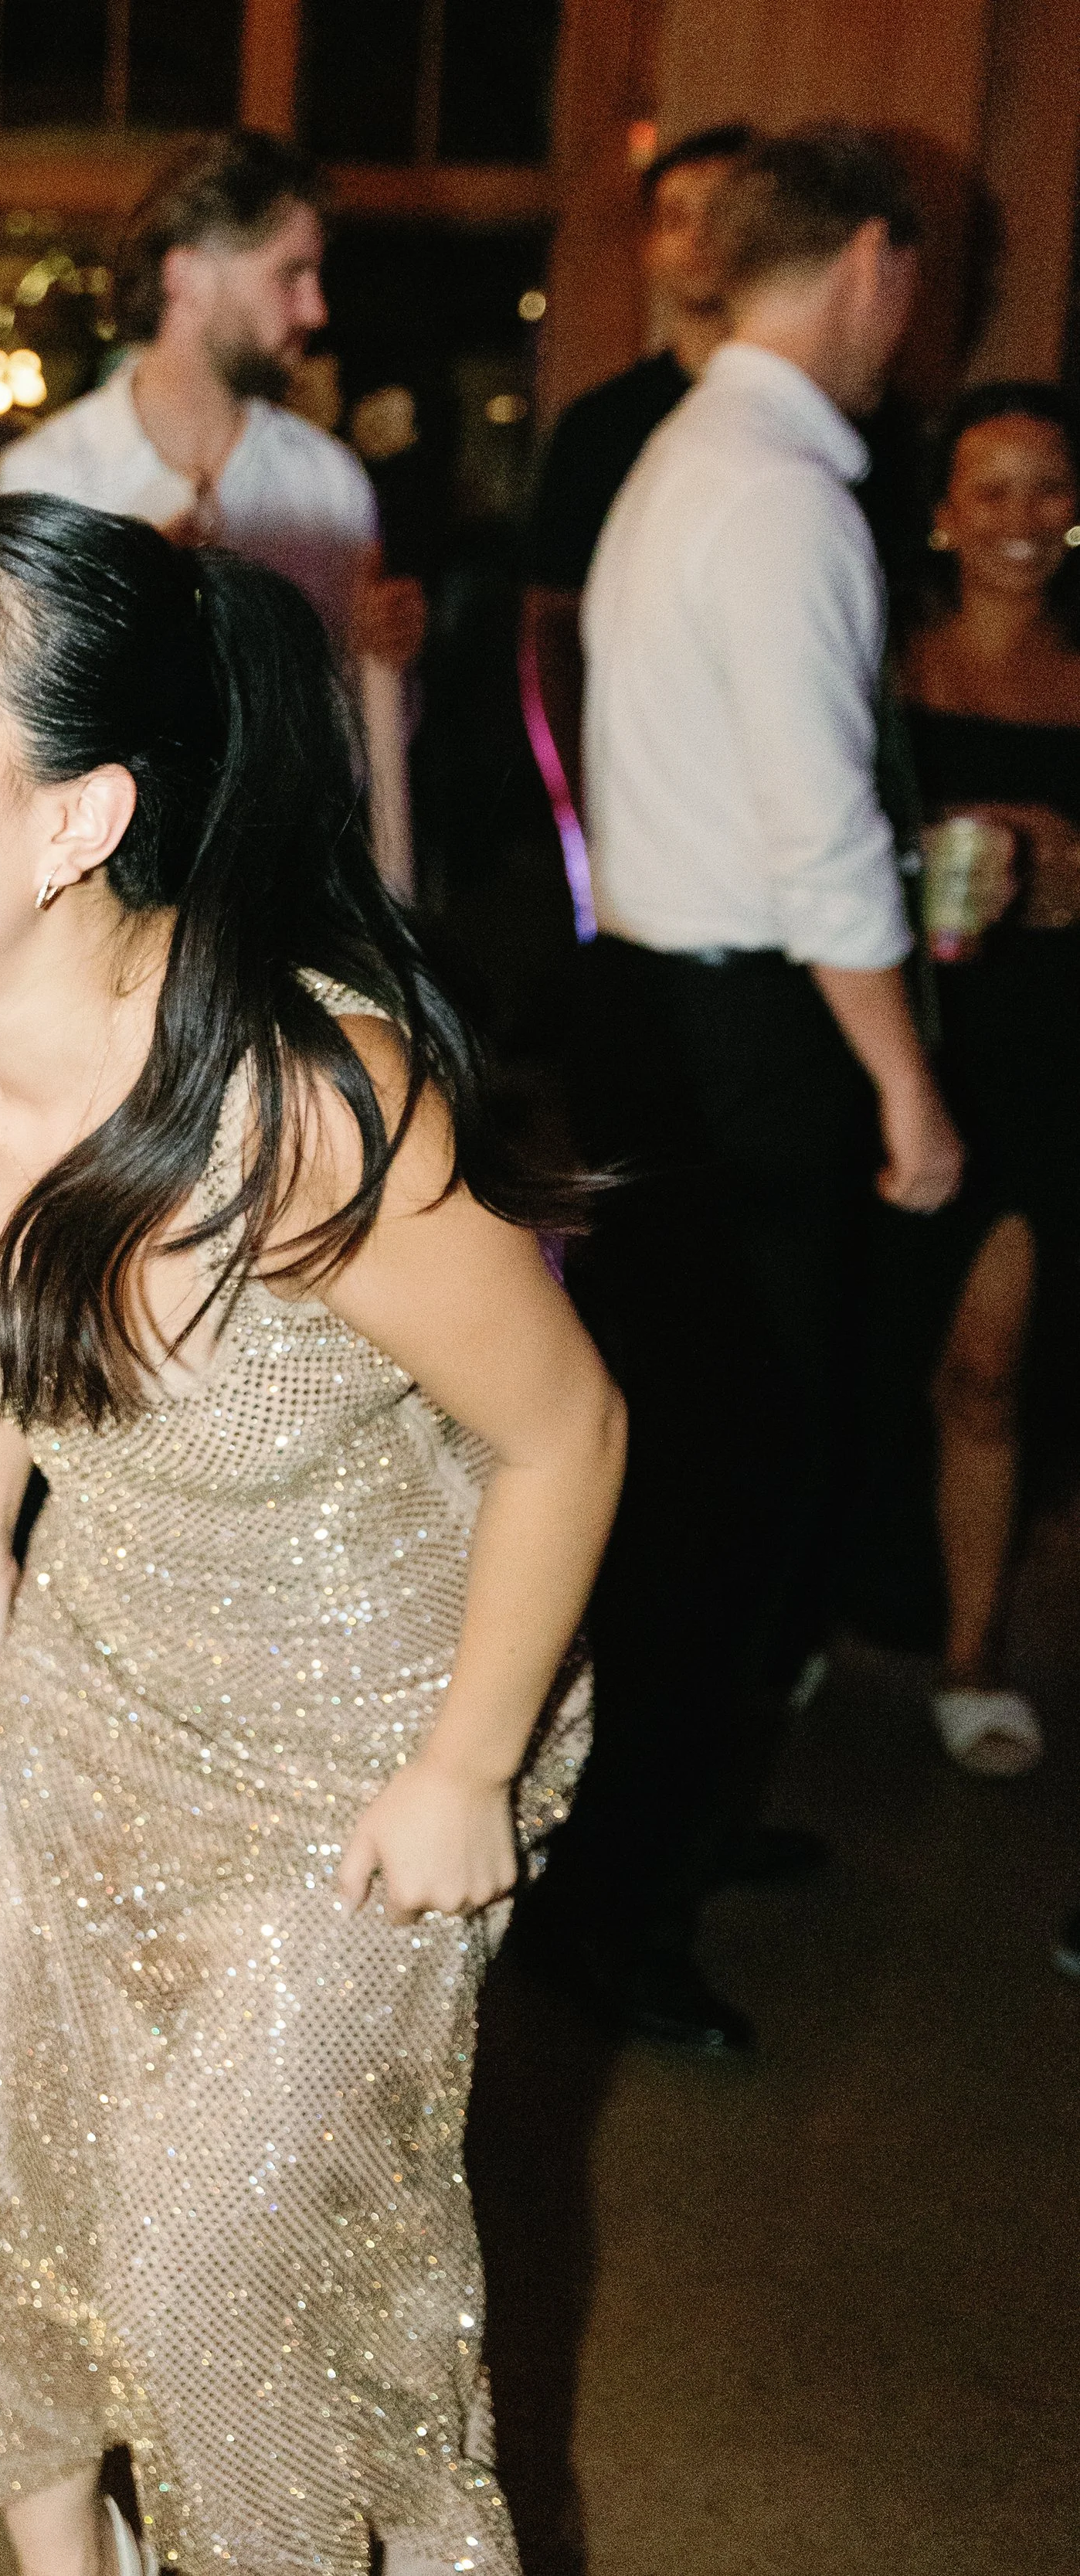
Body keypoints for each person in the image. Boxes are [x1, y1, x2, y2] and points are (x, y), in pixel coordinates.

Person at [0, 487, 624, 2575]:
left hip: (370, 1724)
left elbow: (568, 1431)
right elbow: (1, 1307)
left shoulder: (303, 1107)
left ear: (77, 819)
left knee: (223, 2280)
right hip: (103, 1663)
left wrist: (466, 1770)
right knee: (24, 2185)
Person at [524, 125, 966, 2056]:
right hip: (741, 1037)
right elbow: (820, 845)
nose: (910, 313)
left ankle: (656, 1842)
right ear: (871, 260)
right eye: (914, 277)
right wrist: (908, 1094)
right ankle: (617, 1915)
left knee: (694, 1480)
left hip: (659, 1013)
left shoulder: (693, 454)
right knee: (728, 1502)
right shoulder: (777, 491)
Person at [0, 132, 425, 884]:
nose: (316, 308)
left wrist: (392, 657)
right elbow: (12, 731)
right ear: (187, 276)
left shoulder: (329, 482)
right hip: (111, 891)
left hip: (294, 888)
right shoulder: (45, 481)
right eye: (290, 274)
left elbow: (363, 734)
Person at [895, 383, 1080, 1774]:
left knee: (989, 1363)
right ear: (944, 510)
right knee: (861, 1351)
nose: (1020, 518)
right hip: (897, 1041)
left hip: (1045, 1054)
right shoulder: (886, 671)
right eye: (991, 488)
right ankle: (812, 1620)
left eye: (1046, 487)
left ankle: (971, 1652)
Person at [522, 121, 753, 810]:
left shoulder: (831, 415)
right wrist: (581, 815)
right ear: (650, 248)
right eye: (677, 218)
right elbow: (554, 632)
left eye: (726, 213)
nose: (702, 238)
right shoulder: (602, 427)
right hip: (647, 787)